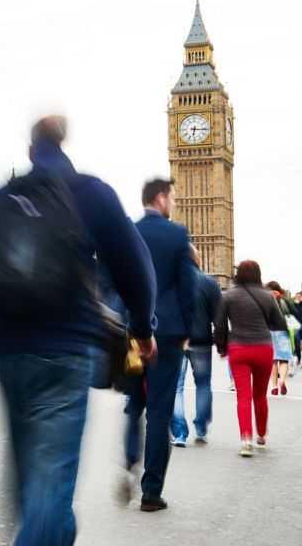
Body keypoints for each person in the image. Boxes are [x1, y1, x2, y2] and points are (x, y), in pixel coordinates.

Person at [0, 117, 157, 545]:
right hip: (67, 349)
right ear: (65, 144)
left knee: (36, 485)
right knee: (50, 484)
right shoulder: (91, 192)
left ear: (30, 150)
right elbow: (136, 268)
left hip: (8, 352)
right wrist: (142, 327)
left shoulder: (3, 197)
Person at [125, 177, 196, 512]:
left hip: (132, 334)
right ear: (161, 198)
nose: (176, 204)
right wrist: (189, 331)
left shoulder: (128, 231)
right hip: (166, 334)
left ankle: (126, 459)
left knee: (133, 404)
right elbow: (188, 287)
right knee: (158, 413)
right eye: (173, 198)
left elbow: (116, 280)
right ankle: (150, 492)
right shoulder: (177, 235)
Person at [214, 261, 286, 456]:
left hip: (238, 349)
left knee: (243, 397)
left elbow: (219, 324)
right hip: (263, 348)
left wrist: (221, 347)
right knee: (260, 396)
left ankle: (246, 441)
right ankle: (261, 436)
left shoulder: (229, 296)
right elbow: (279, 323)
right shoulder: (267, 296)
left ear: (239, 274)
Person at [170, 245, 221, 446]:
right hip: (201, 341)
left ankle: (180, 433)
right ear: (197, 259)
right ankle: (200, 427)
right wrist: (221, 343)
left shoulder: (171, 282)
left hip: (176, 340)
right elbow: (218, 316)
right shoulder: (209, 282)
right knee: (203, 385)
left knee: (176, 388)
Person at [265, 281, 300, 394]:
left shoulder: (265, 300)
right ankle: (282, 381)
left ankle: (274, 386)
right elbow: (295, 313)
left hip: (269, 333)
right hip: (283, 333)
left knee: (272, 361)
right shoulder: (283, 300)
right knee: (284, 359)